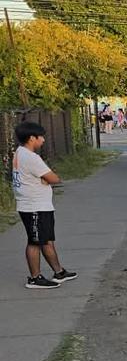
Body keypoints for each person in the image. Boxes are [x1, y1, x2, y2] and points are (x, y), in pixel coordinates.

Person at [13, 122, 77, 289]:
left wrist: (45, 178)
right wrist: (48, 178)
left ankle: (59, 272)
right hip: (34, 206)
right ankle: (34, 278)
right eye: (40, 137)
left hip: (39, 204)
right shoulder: (31, 157)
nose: (43, 140)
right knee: (35, 241)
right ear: (31, 138)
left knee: (46, 239)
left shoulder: (19, 153)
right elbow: (54, 178)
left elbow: (46, 177)